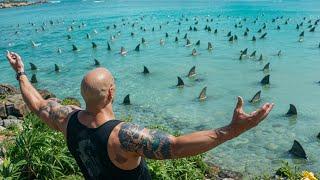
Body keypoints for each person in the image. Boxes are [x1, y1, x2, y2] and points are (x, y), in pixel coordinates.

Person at [6, 51, 274, 180]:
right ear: (112, 92)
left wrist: (21, 73)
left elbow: (39, 105)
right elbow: (176, 146)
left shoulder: (68, 119)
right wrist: (232, 130)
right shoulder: (123, 136)